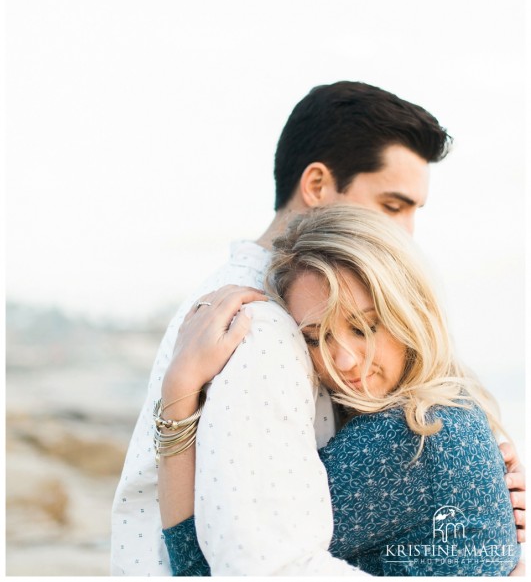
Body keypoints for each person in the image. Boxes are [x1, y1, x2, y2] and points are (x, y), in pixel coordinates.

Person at [111, 82, 525, 575]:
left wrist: (479, 503)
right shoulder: (259, 325)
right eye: (393, 206)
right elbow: (257, 564)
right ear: (316, 185)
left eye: (364, 327)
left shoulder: (419, 419)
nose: (407, 235)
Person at [159, 205, 521, 575]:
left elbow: (202, 570)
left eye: (364, 328)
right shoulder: (456, 411)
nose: (344, 361)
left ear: (413, 312)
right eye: (315, 338)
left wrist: (179, 389)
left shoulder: (410, 436)